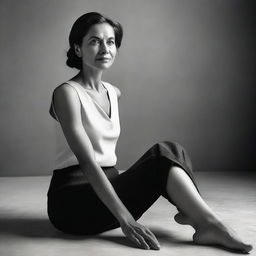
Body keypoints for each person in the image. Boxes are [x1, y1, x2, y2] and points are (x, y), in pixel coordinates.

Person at [47, 12, 252, 253]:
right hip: (73, 203)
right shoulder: (67, 93)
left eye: (111, 41)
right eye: (94, 41)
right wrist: (127, 221)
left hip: (108, 188)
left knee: (174, 150)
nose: (105, 48)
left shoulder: (114, 92)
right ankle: (208, 222)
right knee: (161, 155)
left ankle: (204, 221)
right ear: (78, 49)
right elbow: (88, 162)